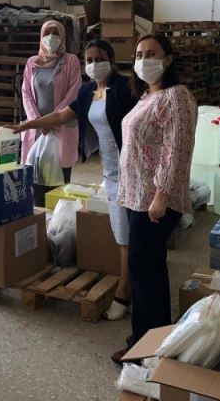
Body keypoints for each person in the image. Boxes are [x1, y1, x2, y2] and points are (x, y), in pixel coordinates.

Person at [12, 40, 136, 320]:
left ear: (111, 59)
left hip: (130, 167)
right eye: (88, 60)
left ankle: (124, 292)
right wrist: (28, 125)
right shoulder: (87, 91)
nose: (93, 64)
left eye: (99, 58)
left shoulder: (125, 88)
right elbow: (60, 115)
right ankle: (129, 285)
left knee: (127, 233)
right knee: (121, 229)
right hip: (110, 169)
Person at [111, 34, 197, 365]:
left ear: (168, 59)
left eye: (151, 54)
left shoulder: (177, 97)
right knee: (149, 268)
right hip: (137, 197)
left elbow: (176, 150)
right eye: (139, 54)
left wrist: (161, 195)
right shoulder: (148, 96)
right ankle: (155, 340)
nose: (143, 60)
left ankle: (143, 346)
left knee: (143, 270)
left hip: (154, 200)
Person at [21, 20, 82, 205]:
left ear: (63, 37)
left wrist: (50, 121)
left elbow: (73, 93)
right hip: (36, 131)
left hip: (61, 129)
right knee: (35, 185)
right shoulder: (32, 62)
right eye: (47, 32)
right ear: (41, 36)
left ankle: (58, 220)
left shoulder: (71, 61)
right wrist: (38, 120)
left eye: (56, 33)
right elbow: (26, 93)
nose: (51, 37)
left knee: (59, 188)